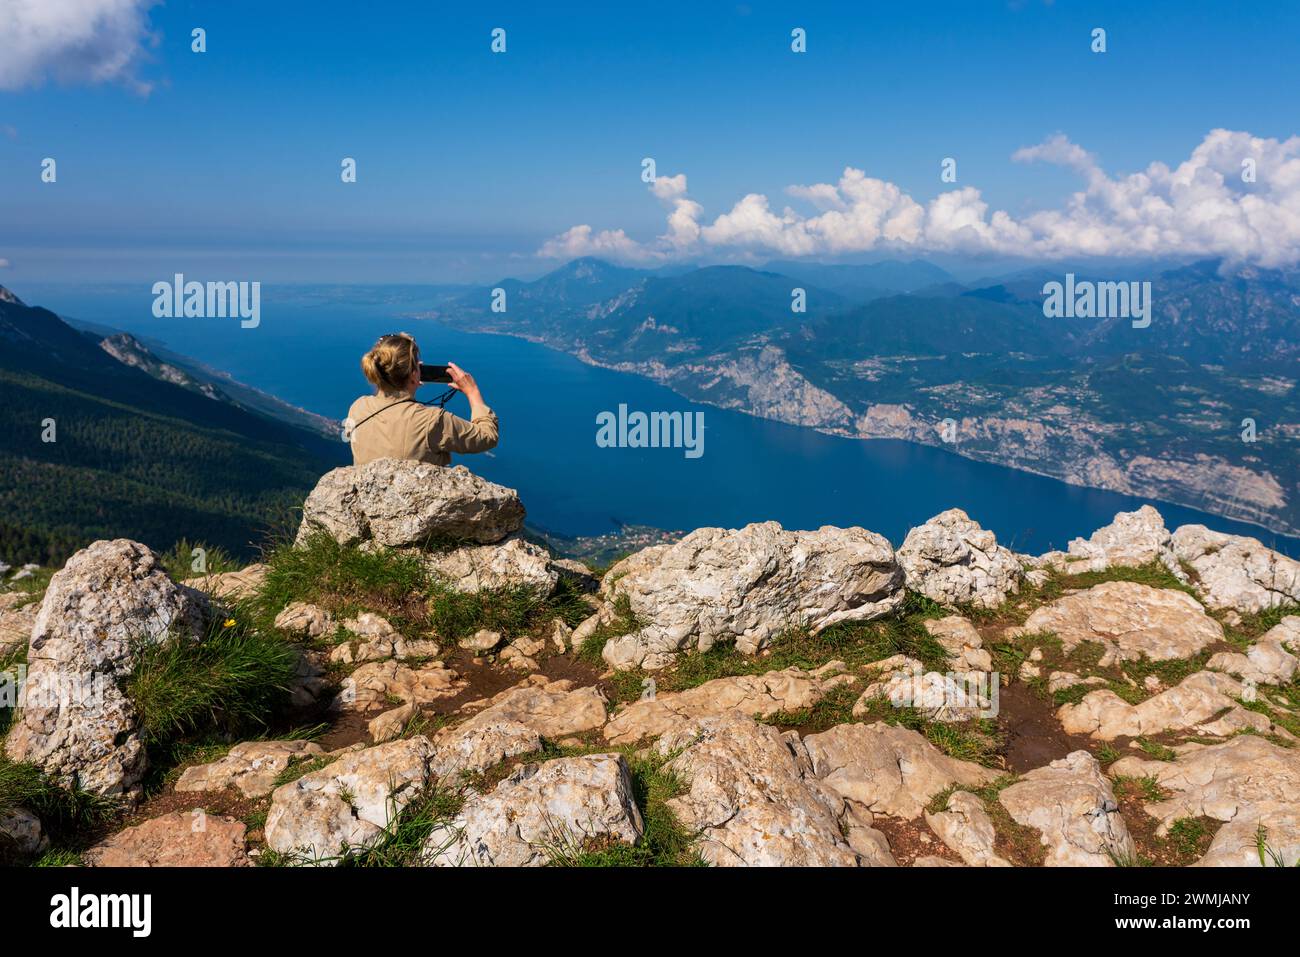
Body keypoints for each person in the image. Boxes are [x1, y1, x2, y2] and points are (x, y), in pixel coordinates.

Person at [346, 332, 498, 466]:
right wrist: (472, 391)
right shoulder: (431, 420)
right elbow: (487, 436)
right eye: (416, 366)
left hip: (368, 495)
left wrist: (410, 379)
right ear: (413, 375)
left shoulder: (358, 408)